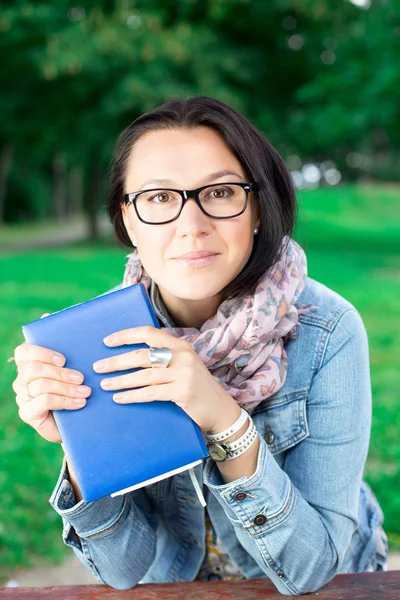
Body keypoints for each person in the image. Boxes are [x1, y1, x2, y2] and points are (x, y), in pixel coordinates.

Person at [12, 96, 388, 595]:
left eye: (220, 191)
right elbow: (122, 570)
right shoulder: (98, 343)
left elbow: (310, 570)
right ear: (127, 220)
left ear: (257, 206)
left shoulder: (329, 330)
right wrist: (81, 450)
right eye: (160, 198)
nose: (191, 225)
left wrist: (224, 419)